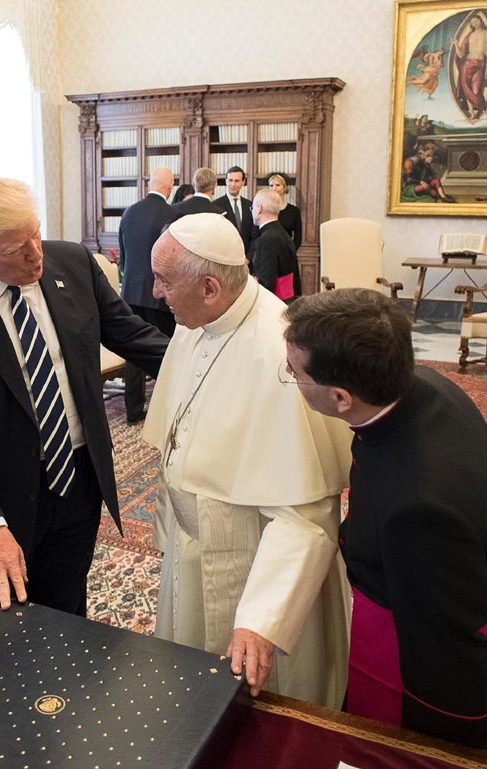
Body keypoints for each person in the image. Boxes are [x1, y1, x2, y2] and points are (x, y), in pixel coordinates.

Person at [0, 173, 169, 615]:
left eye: (36, 233)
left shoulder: (72, 264)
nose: (35, 254)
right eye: (14, 249)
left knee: (68, 616)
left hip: (76, 483)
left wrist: (215, 359)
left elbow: (135, 337)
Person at [281, 287, 487, 753]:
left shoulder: (419, 511)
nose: (291, 377)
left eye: (295, 373)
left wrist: (443, 758)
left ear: (340, 397)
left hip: (415, 673)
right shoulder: (427, 385)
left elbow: (447, 661)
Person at [143, 213, 351, 708]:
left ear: (210, 287)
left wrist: (262, 618)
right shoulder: (196, 320)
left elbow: (305, 516)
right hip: (193, 546)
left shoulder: (280, 352)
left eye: (164, 281)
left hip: (251, 563)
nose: (154, 293)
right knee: (189, 689)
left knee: (259, 705)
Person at [118, 165, 180, 423]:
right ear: (170, 186)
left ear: (150, 184)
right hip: (159, 293)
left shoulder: (129, 212)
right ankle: (167, 408)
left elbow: (122, 255)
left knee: (133, 350)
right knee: (168, 349)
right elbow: (175, 259)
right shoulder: (172, 213)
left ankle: (133, 409)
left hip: (130, 293)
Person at [249, 188, 300, 302]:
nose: (252, 211)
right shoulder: (283, 233)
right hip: (287, 300)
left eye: (252, 207)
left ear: (259, 208)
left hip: (272, 303)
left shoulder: (265, 240)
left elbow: (267, 283)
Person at [213, 166, 254, 250]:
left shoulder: (250, 205)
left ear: (243, 182)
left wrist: (249, 257)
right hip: (225, 255)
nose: (233, 184)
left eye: (237, 181)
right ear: (226, 181)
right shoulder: (215, 205)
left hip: (247, 257)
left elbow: (254, 235)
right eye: (230, 180)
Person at [267, 172, 303, 251]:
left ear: (285, 187)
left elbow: (298, 238)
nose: (274, 188)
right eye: (271, 185)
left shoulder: (294, 211)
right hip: (268, 251)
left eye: (278, 185)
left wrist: (290, 251)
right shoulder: (266, 209)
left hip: (287, 252)